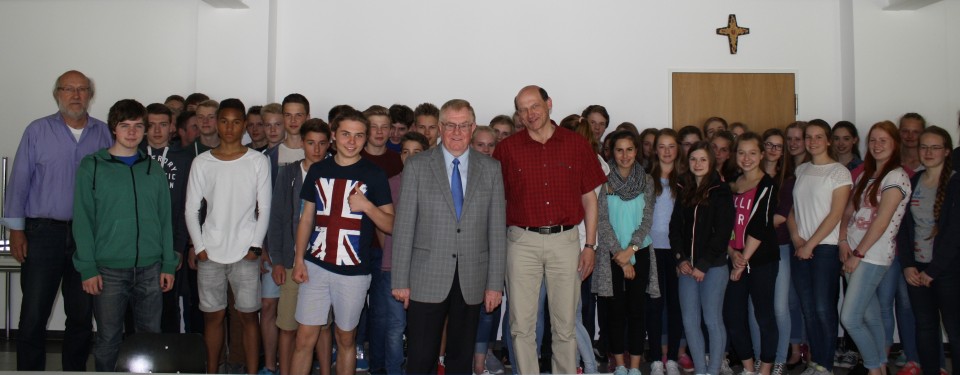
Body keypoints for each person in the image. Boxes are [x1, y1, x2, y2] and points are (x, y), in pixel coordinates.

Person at [492, 85, 607, 375]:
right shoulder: (507, 149)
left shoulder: (576, 144)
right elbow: (496, 202)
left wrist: (590, 246)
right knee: (521, 325)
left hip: (566, 241)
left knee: (565, 324)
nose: (529, 113)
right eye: (522, 108)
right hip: (521, 242)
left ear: (549, 104)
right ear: (517, 114)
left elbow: (590, 199)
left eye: (535, 106)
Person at [4, 70, 110, 371]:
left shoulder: (103, 134)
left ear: (90, 94)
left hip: (87, 237)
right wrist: (16, 231)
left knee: (80, 313)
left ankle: (73, 371)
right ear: (57, 94)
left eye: (82, 89)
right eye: (68, 89)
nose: (75, 96)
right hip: (42, 233)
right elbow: (19, 181)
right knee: (34, 313)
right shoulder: (37, 131)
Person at [391, 99, 506, 375]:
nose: (456, 132)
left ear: (473, 127)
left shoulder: (491, 169)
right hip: (425, 276)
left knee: (460, 357)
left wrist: (494, 285)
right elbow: (404, 225)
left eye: (463, 125)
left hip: (472, 278)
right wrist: (400, 280)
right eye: (450, 125)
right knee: (420, 356)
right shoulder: (418, 166)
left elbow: (497, 229)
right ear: (440, 128)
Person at [72, 99, 177, 371]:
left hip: (150, 269)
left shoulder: (153, 169)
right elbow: (83, 221)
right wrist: (87, 268)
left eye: (138, 126)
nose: (132, 132)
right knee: (108, 339)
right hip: (108, 271)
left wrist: (167, 264)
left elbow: (165, 220)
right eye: (125, 126)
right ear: (113, 129)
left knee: (149, 338)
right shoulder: (92, 166)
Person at [291, 109, 394, 375]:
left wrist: (367, 206)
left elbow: (390, 225)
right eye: (346, 134)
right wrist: (299, 259)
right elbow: (306, 219)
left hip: (354, 272)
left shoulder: (374, 174)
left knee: (345, 338)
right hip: (316, 266)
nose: (352, 141)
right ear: (334, 135)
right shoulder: (318, 169)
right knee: (304, 338)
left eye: (359, 135)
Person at [185, 98, 272, 374]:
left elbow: (265, 206)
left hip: (245, 252)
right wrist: (199, 247)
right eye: (224, 121)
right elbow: (191, 208)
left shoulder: (258, 161)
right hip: (210, 253)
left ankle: (250, 371)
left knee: (248, 317)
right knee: (214, 317)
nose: (229, 127)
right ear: (216, 123)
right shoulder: (202, 162)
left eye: (236, 121)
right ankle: (213, 370)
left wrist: (256, 246)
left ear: (244, 125)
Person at [838, 121, 911, 375]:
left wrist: (858, 254)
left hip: (871, 256)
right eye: (873, 140)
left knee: (850, 318)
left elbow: (882, 221)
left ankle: (872, 368)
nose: (877, 145)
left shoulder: (897, 176)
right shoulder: (868, 174)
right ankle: (880, 365)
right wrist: (843, 241)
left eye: (883, 141)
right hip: (853, 252)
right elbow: (849, 210)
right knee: (870, 317)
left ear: (895, 145)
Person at [268, 119, 332, 375]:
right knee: (287, 325)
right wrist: (279, 261)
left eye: (321, 143)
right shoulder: (290, 173)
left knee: (323, 326)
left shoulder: (334, 171)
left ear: (330, 144)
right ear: (302, 143)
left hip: (324, 263)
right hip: (294, 262)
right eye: (310, 143)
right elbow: (278, 217)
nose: (316, 149)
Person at [788, 120, 851, 375]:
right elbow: (791, 209)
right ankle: (815, 362)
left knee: (824, 307)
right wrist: (796, 239)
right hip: (801, 248)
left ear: (828, 141)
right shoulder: (801, 169)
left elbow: (836, 214)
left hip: (824, 249)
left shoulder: (839, 172)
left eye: (818, 137)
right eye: (809, 137)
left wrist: (810, 244)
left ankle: (825, 364)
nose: (812, 141)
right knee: (808, 308)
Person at [899, 126, 960, 375]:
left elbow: (955, 233)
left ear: (947, 151)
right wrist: (908, 265)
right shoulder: (912, 180)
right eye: (924, 146)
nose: (929, 152)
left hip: (947, 270)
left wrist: (934, 270)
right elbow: (902, 228)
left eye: (935, 147)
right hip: (917, 269)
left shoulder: (956, 183)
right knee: (925, 327)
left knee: (955, 330)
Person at [670, 140, 734, 375]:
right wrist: (681, 259)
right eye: (693, 159)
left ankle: (713, 370)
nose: (697, 164)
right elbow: (675, 227)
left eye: (703, 159)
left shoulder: (722, 191)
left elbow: (723, 233)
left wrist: (703, 265)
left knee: (712, 320)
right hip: (687, 268)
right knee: (689, 321)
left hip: (713, 267)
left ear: (711, 162)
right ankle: (700, 370)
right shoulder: (684, 187)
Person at [593, 130, 654, 375]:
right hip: (612, 255)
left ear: (636, 151)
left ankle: (636, 367)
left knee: (637, 312)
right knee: (615, 313)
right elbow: (602, 221)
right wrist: (620, 255)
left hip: (640, 252)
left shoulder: (647, 181)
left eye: (630, 149)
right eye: (619, 150)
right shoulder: (602, 181)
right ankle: (619, 365)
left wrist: (631, 250)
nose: (625, 155)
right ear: (611, 152)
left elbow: (647, 219)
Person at [723, 132, 780, 375]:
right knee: (733, 317)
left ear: (762, 155)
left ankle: (765, 368)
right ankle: (748, 368)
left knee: (764, 315)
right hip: (735, 257)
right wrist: (731, 253)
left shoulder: (767, 185)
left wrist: (742, 258)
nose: (746, 158)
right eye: (741, 152)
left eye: (753, 153)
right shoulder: (732, 183)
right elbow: (723, 224)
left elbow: (760, 226)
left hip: (761, 260)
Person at [142, 103, 194, 334]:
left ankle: (169, 361)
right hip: (139, 247)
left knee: (169, 305)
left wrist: (179, 247)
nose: (156, 131)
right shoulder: (134, 156)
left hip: (171, 245)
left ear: (172, 126)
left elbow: (187, 206)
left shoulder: (184, 158)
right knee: (136, 307)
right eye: (151, 125)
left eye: (162, 124)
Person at [755, 128, 804, 373]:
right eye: (769, 145)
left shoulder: (788, 179)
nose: (773, 150)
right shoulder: (749, 174)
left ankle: (780, 359)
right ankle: (759, 358)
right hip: (749, 251)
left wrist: (750, 229)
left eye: (779, 146)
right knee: (754, 307)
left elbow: (780, 216)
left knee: (779, 307)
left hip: (779, 247)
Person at [647, 129, 685, 375]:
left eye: (672, 146)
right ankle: (654, 358)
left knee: (675, 306)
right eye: (662, 146)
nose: (667, 151)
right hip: (651, 250)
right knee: (654, 306)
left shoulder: (686, 178)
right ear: (655, 149)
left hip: (677, 251)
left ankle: (672, 358)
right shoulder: (646, 178)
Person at [361, 105, 403, 178]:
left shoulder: (398, 160)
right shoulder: (355, 158)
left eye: (384, 127)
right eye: (373, 127)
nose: (379, 131)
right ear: (365, 130)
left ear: (390, 131)